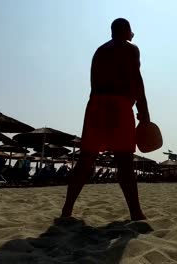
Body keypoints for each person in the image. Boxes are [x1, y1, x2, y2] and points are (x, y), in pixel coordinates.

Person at [61, 18, 150, 221]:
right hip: (119, 104)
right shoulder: (131, 48)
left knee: (85, 159)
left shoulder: (99, 51)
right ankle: (136, 213)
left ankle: (66, 210)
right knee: (125, 160)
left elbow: (94, 81)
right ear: (126, 30)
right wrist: (143, 111)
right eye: (131, 32)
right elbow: (136, 79)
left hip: (96, 104)